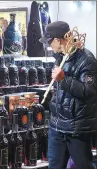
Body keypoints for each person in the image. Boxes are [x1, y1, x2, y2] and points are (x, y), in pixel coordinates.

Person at [39, 21, 97, 169]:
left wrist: (63, 79)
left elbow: (89, 92)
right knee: (54, 166)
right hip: (56, 126)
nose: (48, 46)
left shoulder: (87, 60)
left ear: (58, 40)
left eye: (49, 42)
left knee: (84, 165)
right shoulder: (59, 56)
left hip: (77, 128)